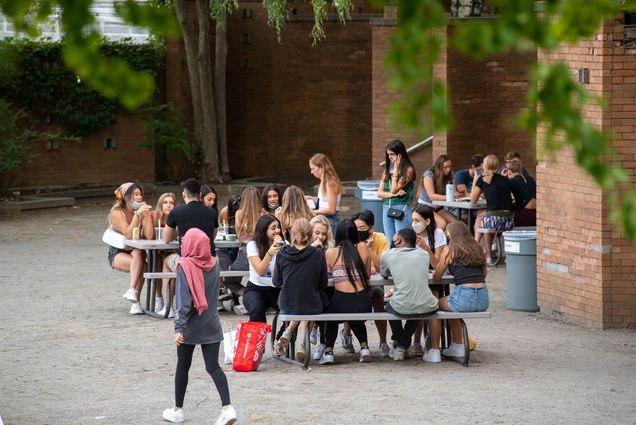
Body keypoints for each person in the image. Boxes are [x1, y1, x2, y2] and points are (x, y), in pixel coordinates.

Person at [161, 228, 237, 425]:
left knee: (183, 366)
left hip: (190, 325)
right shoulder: (215, 263)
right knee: (213, 367)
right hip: (212, 322)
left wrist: (178, 328)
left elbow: (183, 302)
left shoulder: (184, 266)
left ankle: (177, 409)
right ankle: (227, 408)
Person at [427, 221, 489, 363]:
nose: (447, 236)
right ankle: (456, 344)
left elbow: (437, 277)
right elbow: (484, 273)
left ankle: (445, 346)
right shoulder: (477, 248)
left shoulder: (450, 250)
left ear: (453, 235)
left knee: (434, 303)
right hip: (483, 298)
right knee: (449, 306)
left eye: (448, 234)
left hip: (463, 297)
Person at [273, 218, 328, 362]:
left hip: (287, 303)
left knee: (302, 300)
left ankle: (289, 331)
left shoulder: (282, 253)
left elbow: (276, 281)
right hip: (311, 303)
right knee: (308, 300)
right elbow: (323, 283)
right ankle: (302, 343)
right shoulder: (317, 254)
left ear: (292, 233)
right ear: (310, 234)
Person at [162, 178, 219, 315]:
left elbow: (166, 238)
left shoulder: (176, 212)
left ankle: (168, 306)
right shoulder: (211, 213)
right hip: (209, 261)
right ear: (200, 195)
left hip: (187, 261)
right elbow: (213, 236)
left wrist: (180, 230)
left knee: (165, 262)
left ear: (183, 195)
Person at [381, 228, 439, 361]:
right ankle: (402, 344)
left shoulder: (388, 254)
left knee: (390, 305)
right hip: (427, 304)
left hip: (403, 305)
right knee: (418, 307)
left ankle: (400, 344)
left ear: (399, 240)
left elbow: (384, 274)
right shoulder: (424, 254)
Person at [321, 219, 373, 364]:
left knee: (331, 317)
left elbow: (328, 277)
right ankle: (364, 347)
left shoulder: (330, 252)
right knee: (354, 313)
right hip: (363, 303)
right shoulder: (363, 247)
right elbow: (367, 276)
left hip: (341, 302)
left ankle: (329, 351)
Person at [108, 182, 153, 315]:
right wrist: (137, 216)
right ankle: (135, 298)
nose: (139, 197)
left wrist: (146, 216)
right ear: (126, 197)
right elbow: (128, 235)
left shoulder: (140, 210)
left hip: (135, 251)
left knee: (141, 256)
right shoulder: (117, 212)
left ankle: (133, 297)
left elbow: (150, 236)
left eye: (140, 194)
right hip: (119, 251)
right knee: (142, 266)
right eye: (136, 195)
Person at [351, 209, 391, 357]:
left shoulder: (380, 239)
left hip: (375, 283)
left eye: (362, 228)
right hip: (354, 282)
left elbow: (382, 266)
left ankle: (383, 342)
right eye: (356, 229)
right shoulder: (350, 238)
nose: (358, 232)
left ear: (371, 228)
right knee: (349, 301)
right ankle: (347, 335)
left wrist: (367, 249)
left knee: (377, 300)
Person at [409, 204, 448, 355]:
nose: (414, 224)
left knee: (431, 299)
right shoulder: (408, 234)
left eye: (417, 220)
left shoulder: (437, 234)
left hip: (432, 279)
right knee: (417, 301)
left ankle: (432, 338)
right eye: (412, 220)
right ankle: (416, 342)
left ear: (427, 221)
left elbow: (438, 264)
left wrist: (425, 247)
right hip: (414, 278)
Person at [471, 154, 514, 266]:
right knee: (485, 216)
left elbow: (473, 200)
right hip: (509, 220)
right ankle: (494, 245)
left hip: (494, 220)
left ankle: (488, 256)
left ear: (485, 165)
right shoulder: (505, 179)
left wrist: (476, 181)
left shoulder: (483, 179)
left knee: (482, 221)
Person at [242, 214, 284, 323]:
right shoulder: (252, 245)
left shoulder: (285, 245)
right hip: (256, 288)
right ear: (264, 230)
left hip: (277, 288)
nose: (277, 231)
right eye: (273, 228)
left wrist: (284, 248)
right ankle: (257, 340)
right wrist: (269, 253)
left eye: (278, 227)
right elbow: (260, 271)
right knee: (257, 309)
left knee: (294, 309)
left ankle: (283, 337)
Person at [376, 139, 416, 243]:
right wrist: (393, 195)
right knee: (390, 242)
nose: (389, 157)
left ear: (400, 154)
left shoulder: (408, 170)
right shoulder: (387, 170)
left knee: (401, 242)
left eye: (392, 154)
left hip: (401, 208)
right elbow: (379, 193)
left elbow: (394, 189)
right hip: (386, 208)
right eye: (388, 154)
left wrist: (397, 169)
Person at [308, 214, 335, 356]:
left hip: (326, 288)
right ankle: (315, 329)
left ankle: (323, 343)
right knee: (321, 300)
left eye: (324, 234)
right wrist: (313, 251)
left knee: (327, 301)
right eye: (317, 233)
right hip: (308, 291)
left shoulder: (329, 249)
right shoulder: (304, 248)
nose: (320, 237)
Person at [417, 154, 458, 230]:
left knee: (455, 223)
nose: (448, 169)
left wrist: (456, 194)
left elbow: (454, 191)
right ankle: (434, 241)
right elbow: (432, 196)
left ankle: (450, 241)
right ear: (439, 167)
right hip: (425, 206)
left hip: (438, 207)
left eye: (450, 166)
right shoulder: (429, 174)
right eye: (446, 167)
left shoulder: (450, 174)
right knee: (442, 223)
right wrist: (449, 197)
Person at [306, 153, 344, 234]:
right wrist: (312, 199)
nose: (311, 172)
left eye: (313, 169)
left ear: (322, 167)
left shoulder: (330, 182)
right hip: (325, 219)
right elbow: (325, 201)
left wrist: (312, 211)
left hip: (330, 220)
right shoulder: (324, 181)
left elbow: (332, 210)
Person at [153, 192, 176, 316]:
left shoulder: (177, 219)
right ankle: (159, 298)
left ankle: (169, 304)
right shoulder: (154, 218)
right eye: (165, 202)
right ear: (160, 205)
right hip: (158, 252)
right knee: (156, 261)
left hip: (172, 252)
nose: (168, 205)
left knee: (167, 261)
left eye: (171, 203)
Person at [507, 159, 536, 227]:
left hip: (524, 215)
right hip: (536, 214)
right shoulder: (530, 179)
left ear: (509, 172)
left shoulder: (512, 181)